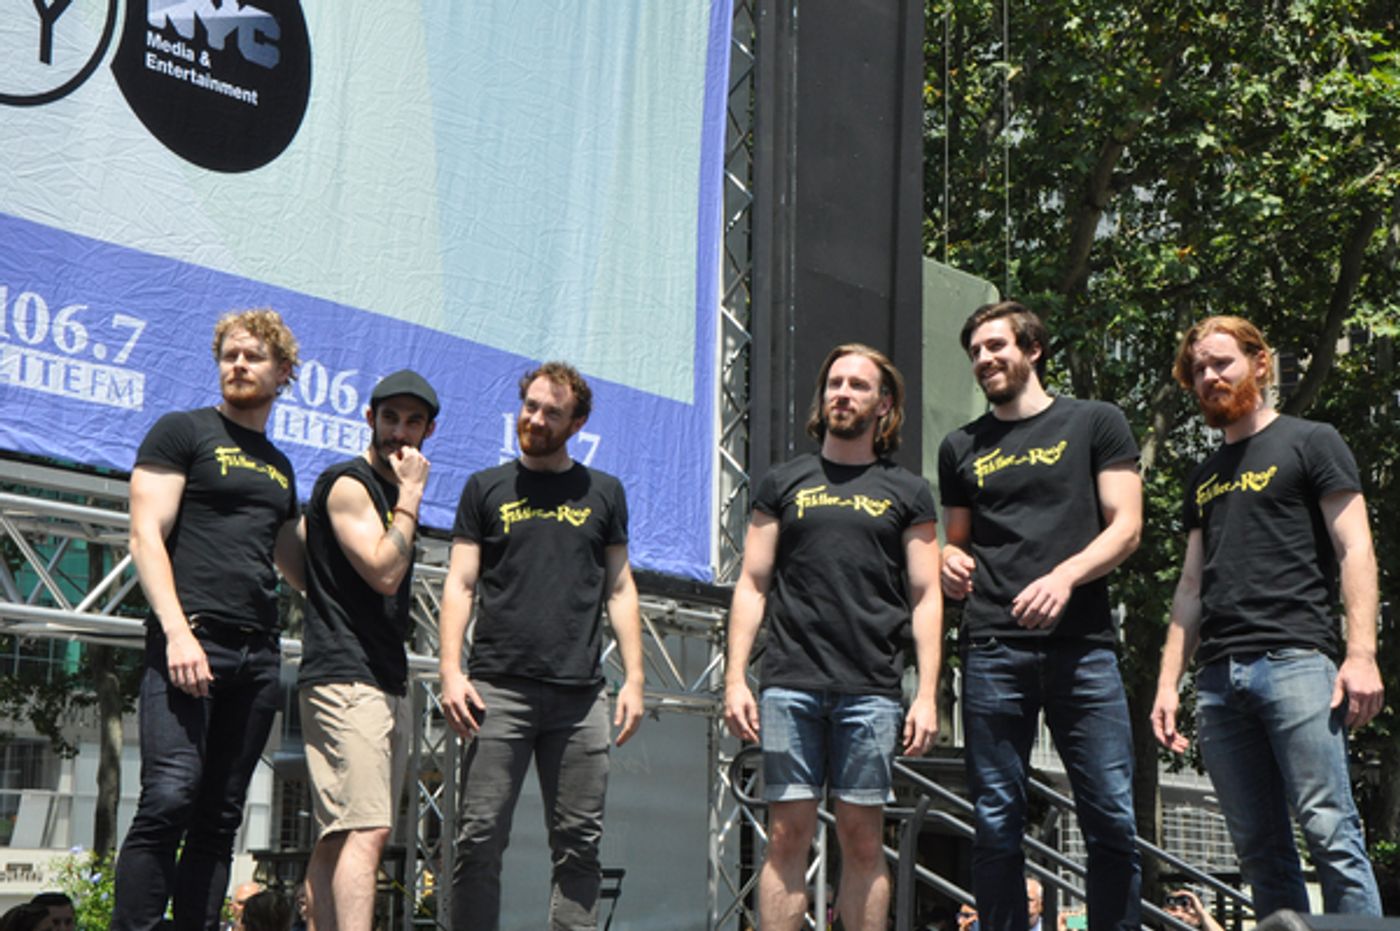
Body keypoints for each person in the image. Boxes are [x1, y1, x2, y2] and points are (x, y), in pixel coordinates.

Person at [1150, 316, 1384, 917]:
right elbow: (1191, 586)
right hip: (1217, 680)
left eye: (1221, 363)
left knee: (1330, 831)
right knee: (1259, 849)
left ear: (1260, 363)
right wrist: (1168, 684)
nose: (1209, 377)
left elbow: (1356, 547)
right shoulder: (1203, 476)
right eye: (1198, 370)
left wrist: (1361, 654)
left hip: (1296, 662)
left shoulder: (1313, 441)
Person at [938, 300, 1142, 931]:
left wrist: (1064, 577)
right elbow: (958, 542)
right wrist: (948, 560)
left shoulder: (1095, 422)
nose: (984, 359)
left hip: (1083, 647)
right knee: (996, 820)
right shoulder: (960, 446)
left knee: (1110, 816)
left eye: (996, 346)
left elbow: (1127, 527)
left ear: (1033, 350)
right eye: (975, 351)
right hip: (992, 648)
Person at [724, 343, 943, 931]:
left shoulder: (909, 491)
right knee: (784, 835)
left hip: (871, 687)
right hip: (789, 683)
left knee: (863, 839)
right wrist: (735, 678)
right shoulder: (783, 481)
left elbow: (927, 595)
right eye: (835, 383)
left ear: (884, 404)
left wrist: (926, 694)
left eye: (858, 385)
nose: (843, 393)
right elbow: (752, 582)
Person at [438, 361, 646, 930]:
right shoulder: (485, 487)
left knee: (579, 845)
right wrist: (451, 671)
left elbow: (620, 587)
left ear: (577, 423)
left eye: (552, 412)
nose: (535, 418)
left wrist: (635, 677)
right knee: (478, 837)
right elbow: (459, 583)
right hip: (496, 690)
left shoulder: (604, 492)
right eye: (530, 406)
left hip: (580, 698)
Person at [114, 309, 304, 931]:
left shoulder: (280, 467)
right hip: (190, 638)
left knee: (220, 817)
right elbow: (145, 535)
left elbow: (297, 564)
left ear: (283, 372)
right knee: (170, 795)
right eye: (229, 355)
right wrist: (177, 632)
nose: (238, 365)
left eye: (253, 356)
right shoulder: (183, 431)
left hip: (259, 655)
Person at [298, 370, 439, 931]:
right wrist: (411, 497)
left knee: (341, 831)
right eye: (389, 418)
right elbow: (384, 570)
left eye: (412, 422)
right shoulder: (349, 484)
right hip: (344, 675)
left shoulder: (388, 493)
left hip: (384, 676)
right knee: (366, 828)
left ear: (428, 431)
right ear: (369, 419)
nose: (399, 433)